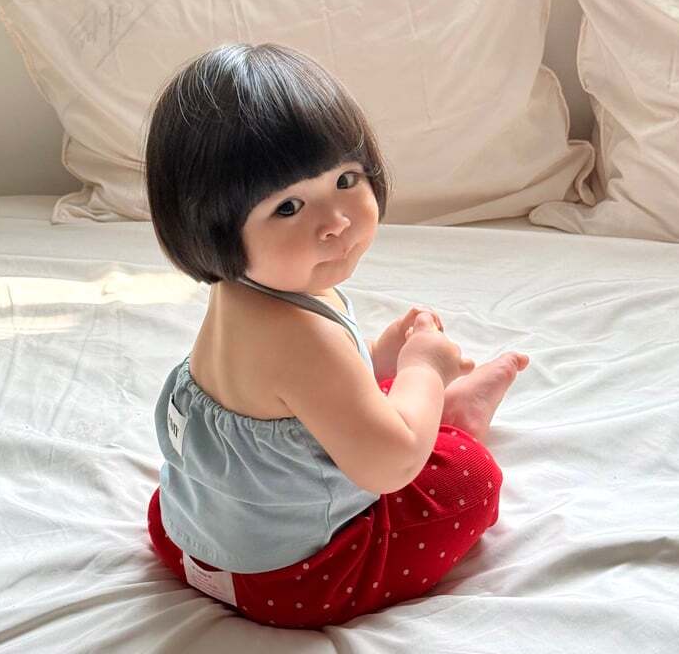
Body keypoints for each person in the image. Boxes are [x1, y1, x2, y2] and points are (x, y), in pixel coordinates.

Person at [144, 42, 529, 628]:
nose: (337, 221)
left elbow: (288, 397)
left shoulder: (242, 291)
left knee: (360, 402)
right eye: (289, 207)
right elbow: (391, 466)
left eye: (346, 179)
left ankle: (420, 407)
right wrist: (424, 368)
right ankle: (450, 418)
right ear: (210, 228)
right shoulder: (301, 339)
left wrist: (377, 357)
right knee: (472, 479)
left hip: (185, 536)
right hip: (292, 579)